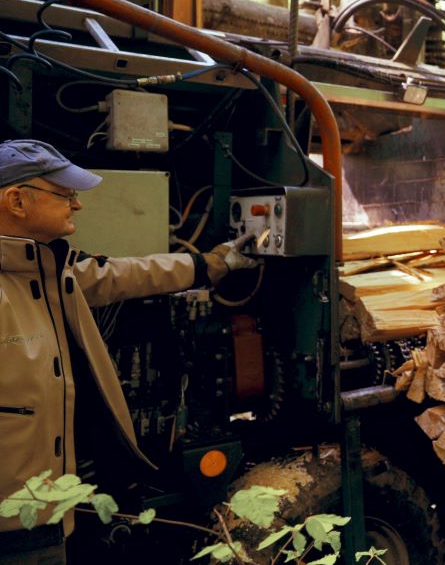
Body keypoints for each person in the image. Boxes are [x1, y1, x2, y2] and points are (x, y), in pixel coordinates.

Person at [0, 140, 258, 563]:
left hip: (48, 512)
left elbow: (121, 275)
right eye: (65, 194)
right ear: (17, 200)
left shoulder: (43, 269)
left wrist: (211, 264)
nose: (77, 206)